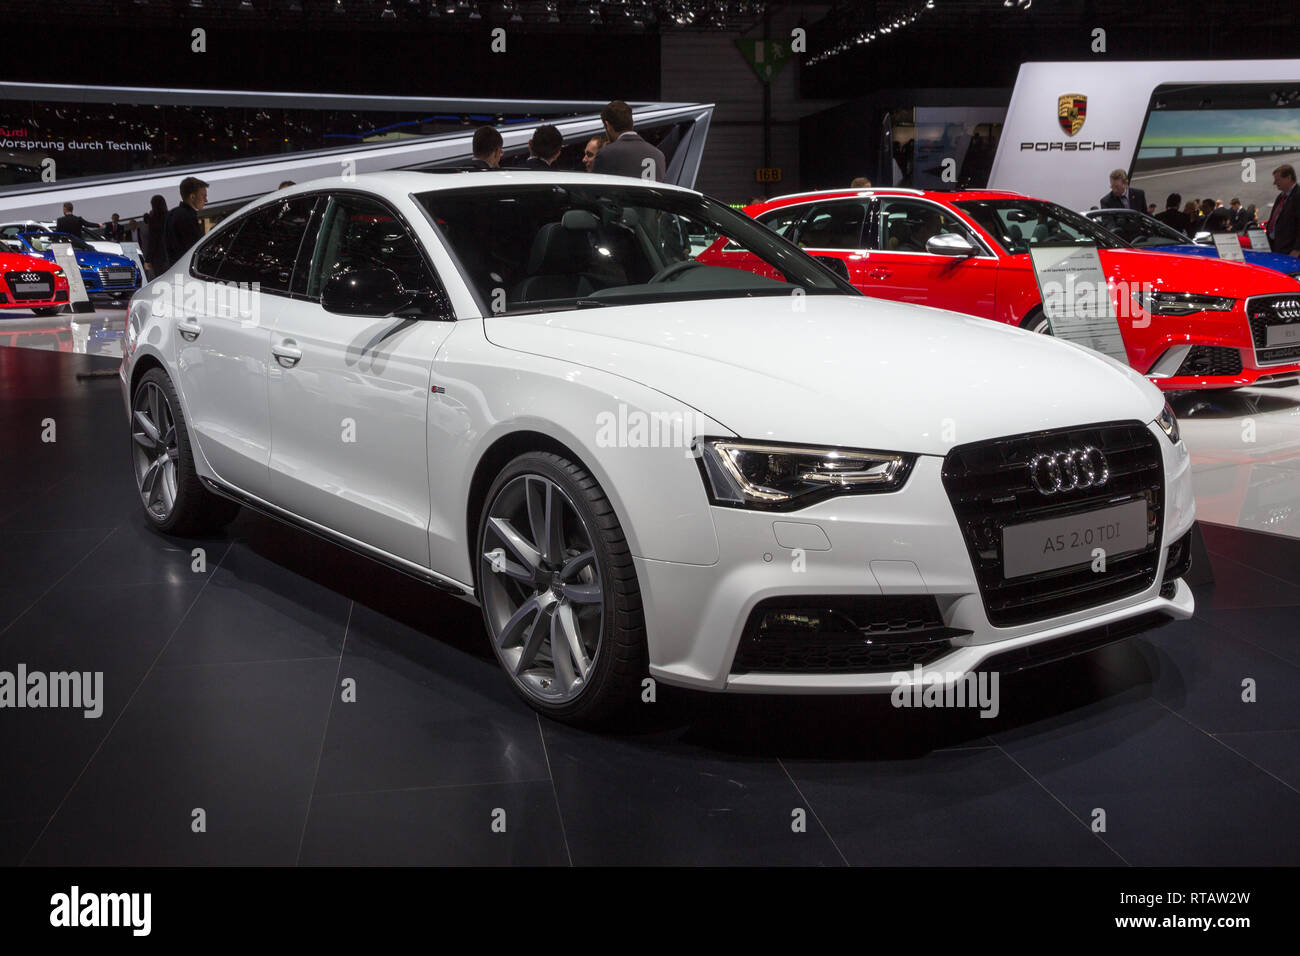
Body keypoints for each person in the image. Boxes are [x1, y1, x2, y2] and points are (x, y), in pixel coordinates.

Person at [591, 100, 666, 182]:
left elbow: (597, 192)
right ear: (632, 123)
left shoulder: (605, 154)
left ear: (607, 125)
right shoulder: (658, 155)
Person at [162, 176, 208, 270]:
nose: (206, 200)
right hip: (187, 271)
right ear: (192, 197)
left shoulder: (172, 214)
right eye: (203, 196)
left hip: (173, 269)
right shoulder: (187, 217)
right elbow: (194, 249)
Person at [1266, 163, 1300, 256]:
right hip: (1276, 246)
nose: (1274, 183)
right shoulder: (1281, 197)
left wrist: (1297, 249)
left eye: (1278, 180)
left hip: (1289, 250)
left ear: (1288, 178)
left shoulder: (1298, 196)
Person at [144, 193, 168, 277]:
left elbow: (153, 241)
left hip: (158, 256)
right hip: (169, 254)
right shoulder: (169, 217)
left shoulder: (154, 219)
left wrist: (147, 259)